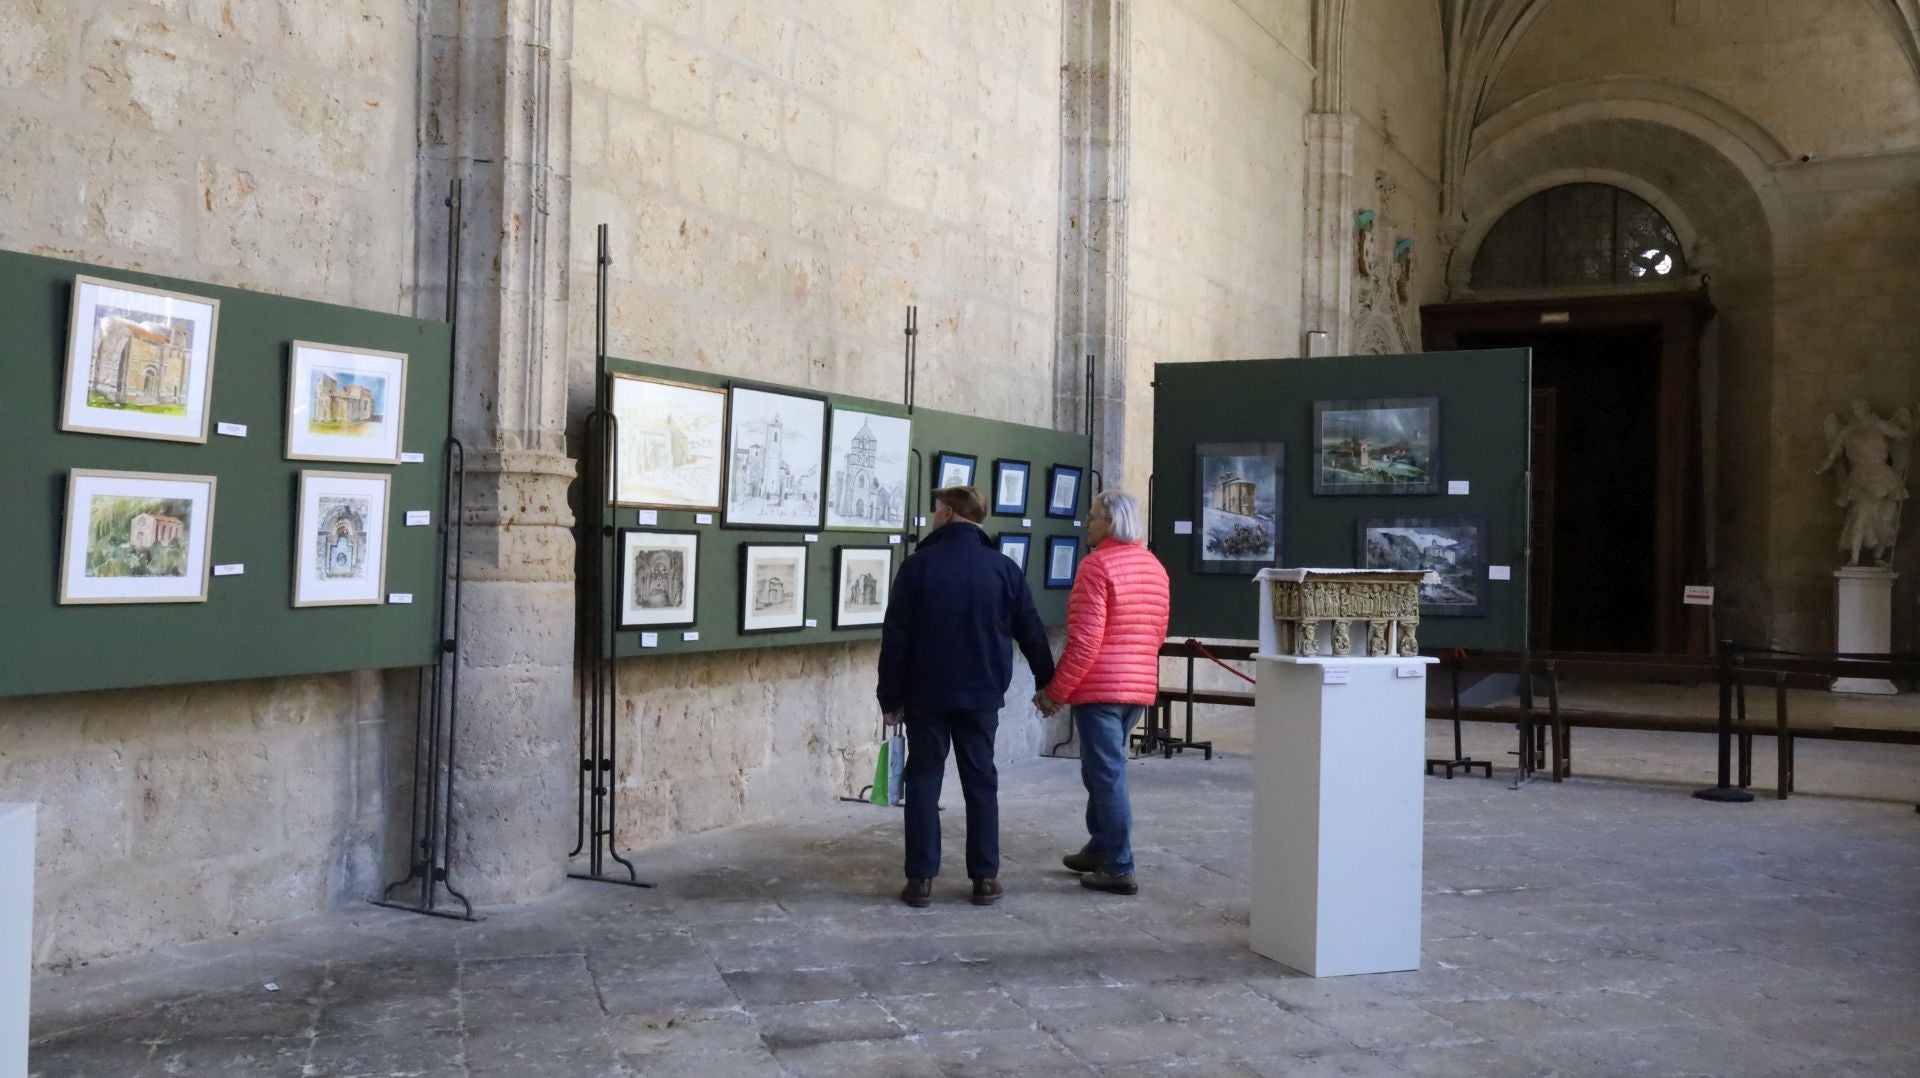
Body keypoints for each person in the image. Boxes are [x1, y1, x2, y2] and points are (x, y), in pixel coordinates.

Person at [878, 486, 1055, 908]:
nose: (935, 515)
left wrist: (889, 696)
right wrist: (1049, 682)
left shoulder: (918, 567)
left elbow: (896, 637)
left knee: (923, 780)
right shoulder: (1003, 570)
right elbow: (1031, 630)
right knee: (981, 781)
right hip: (981, 693)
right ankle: (985, 877)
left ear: (950, 514)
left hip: (926, 693)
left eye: (938, 508)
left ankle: (920, 879)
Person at [1034, 490, 1169, 895]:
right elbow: (1157, 633)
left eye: (1093, 517)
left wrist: (1055, 692)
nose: (1087, 523)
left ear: (1110, 523)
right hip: (1138, 687)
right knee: (1101, 770)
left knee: (1107, 775)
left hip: (1101, 688)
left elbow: (1085, 641)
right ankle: (1099, 847)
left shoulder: (1097, 567)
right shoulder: (1154, 567)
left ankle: (1119, 865)